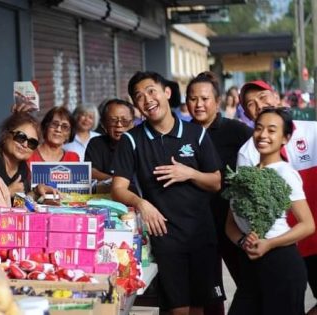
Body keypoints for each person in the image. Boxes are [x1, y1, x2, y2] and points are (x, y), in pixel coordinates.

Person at [111, 71, 222, 315]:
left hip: (201, 233)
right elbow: (118, 188)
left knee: (199, 309)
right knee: (177, 310)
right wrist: (142, 204)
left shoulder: (197, 134)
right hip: (166, 237)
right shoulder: (131, 140)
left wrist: (189, 173)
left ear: (167, 93)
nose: (147, 99)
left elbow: (215, 182)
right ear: (136, 105)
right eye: (139, 96)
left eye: (151, 91)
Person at [237, 80, 317, 315]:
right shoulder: (247, 153)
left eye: (262, 97)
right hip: (275, 248)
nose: (258, 105)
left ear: (276, 97)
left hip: (310, 237)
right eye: (250, 104)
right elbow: (239, 211)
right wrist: (246, 240)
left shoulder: (311, 131)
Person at [185, 71, 253, 314]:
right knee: (208, 295)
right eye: (193, 99)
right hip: (197, 227)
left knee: (250, 286)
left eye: (204, 98)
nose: (199, 104)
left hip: (233, 223)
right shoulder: (181, 132)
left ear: (217, 101)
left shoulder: (238, 131)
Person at [0, 112, 58, 200]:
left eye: (32, 143)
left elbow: (18, 204)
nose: (25, 145)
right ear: (6, 134)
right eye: (21, 137)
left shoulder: (23, 169)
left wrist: (36, 192)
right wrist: (8, 192)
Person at [85, 99, 135, 182]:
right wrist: (119, 183)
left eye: (124, 121)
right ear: (103, 124)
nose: (119, 125)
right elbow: (90, 172)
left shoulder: (141, 143)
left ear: (133, 123)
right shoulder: (96, 143)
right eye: (113, 120)